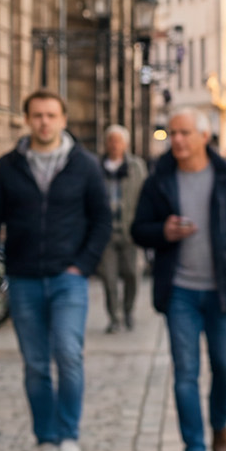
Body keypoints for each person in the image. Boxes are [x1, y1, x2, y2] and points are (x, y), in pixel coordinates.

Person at [0, 92, 112, 451]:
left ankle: (68, 439)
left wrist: (82, 265)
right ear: (27, 120)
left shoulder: (84, 166)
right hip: (25, 277)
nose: (44, 122)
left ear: (64, 119)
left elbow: (102, 220)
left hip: (69, 279)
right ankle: (45, 441)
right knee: (35, 365)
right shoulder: (7, 167)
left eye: (51, 115)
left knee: (68, 355)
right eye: (37, 115)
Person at [131, 109, 226, 451]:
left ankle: (220, 422)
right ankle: (193, 448)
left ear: (203, 137)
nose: (176, 140)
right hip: (179, 289)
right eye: (172, 133)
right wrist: (162, 231)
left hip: (224, 288)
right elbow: (138, 229)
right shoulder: (159, 179)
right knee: (185, 372)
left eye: (183, 133)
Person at [96, 125, 144, 332]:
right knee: (109, 278)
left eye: (119, 141)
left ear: (126, 144)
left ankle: (128, 310)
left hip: (130, 231)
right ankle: (114, 318)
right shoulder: (96, 167)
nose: (115, 145)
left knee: (133, 274)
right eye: (111, 141)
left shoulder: (136, 166)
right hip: (105, 233)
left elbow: (145, 197)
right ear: (106, 144)